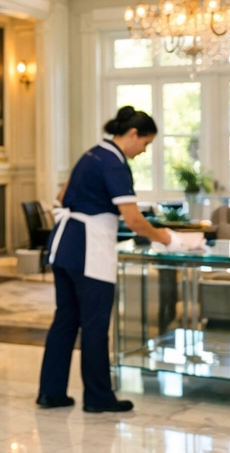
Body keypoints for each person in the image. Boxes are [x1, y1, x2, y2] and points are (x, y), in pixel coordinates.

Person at [36, 105, 190, 413]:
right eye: (145, 143)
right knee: (94, 325)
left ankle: (51, 393)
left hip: (64, 247)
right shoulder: (115, 163)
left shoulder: (91, 154)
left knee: (65, 320)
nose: (143, 151)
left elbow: (61, 198)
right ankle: (98, 398)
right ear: (132, 134)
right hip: (89, 250)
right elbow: (133, 219)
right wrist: (167, 238)